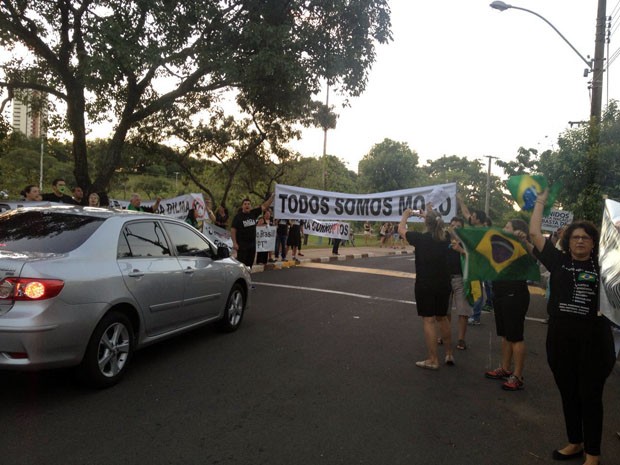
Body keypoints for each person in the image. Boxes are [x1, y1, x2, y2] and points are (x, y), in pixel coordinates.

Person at [530, 189, 615, 465]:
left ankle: (593, 453)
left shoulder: (604, 266)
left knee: (590, 396)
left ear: (593, 243)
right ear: (568, 241)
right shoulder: (559, 261)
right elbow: (533, 235)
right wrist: (540, 203)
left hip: (594, 343)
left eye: (585, 238)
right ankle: (575, 442)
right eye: (575, 237)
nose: (580, 241)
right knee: (568, 393)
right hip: (560, 340)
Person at [399, 207, 453, 370]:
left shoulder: (420, 238)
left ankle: (433, 359)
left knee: (429, 320)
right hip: (444, 284)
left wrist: (405, 215)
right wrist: (429, 216)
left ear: (426, 223)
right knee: (442, 317)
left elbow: (401, 230)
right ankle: (449, 354)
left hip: (425, 284)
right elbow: (441, 225)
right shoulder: (447, 238)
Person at [483, 219, 531, 391]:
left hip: (515, 296)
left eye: (507, 227)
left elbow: (532, 259)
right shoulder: (503, 247)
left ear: (518, 231)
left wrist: (524, 240)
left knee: (516, 337)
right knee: (505, 335)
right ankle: (505, 368)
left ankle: (517, 376)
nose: (503, 229)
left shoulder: (523, 247)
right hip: (501, 295)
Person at [446, 216, 471, 351]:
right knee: (445, 310)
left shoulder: (467, 242)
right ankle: (445, 335)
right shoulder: (444, 240)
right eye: (452, 225)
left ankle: (461, 339)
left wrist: (461, 251)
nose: (455, 227)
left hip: (461, 279)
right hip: (445, 279)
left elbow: (474, 258)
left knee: (463, 310)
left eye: (458, 225)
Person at [231, 193, 275, 268]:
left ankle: (248, 278)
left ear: (250, 206)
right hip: (242, 245)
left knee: (249, 265)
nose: (247, 205)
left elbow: (264, 206)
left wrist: (272, 197)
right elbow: (233, 230)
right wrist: (235, 243)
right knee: (242, 265)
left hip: (252, 244)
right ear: (242, 206)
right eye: (245, 204)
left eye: (248, 204)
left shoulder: (253, 213)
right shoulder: (238, 217)